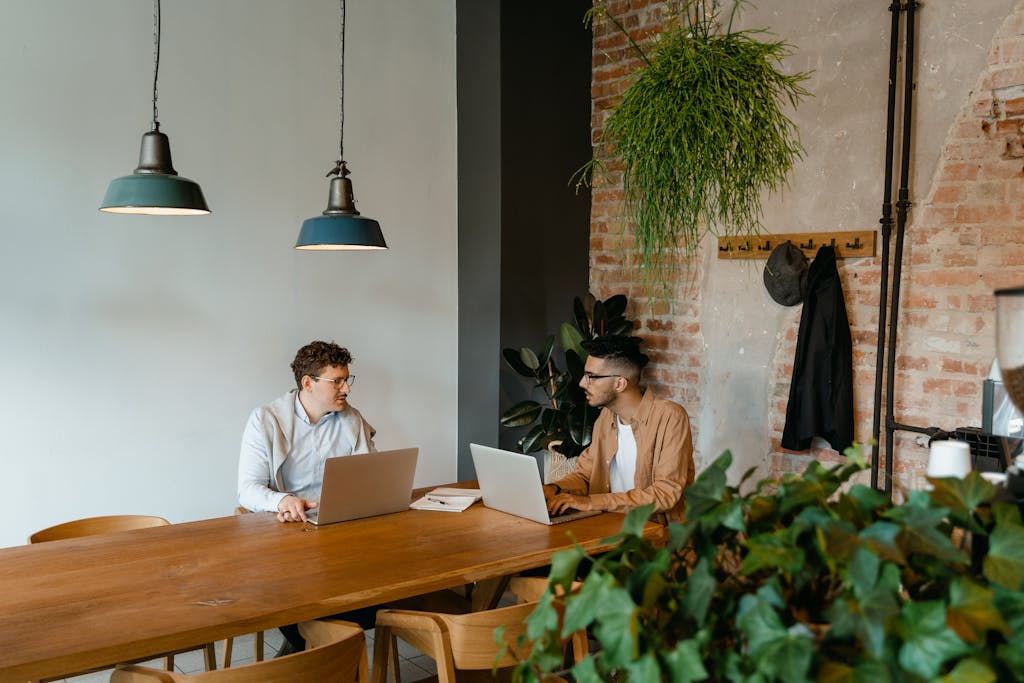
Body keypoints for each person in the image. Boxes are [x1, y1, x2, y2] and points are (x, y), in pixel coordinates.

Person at [544, 335, 695, 524]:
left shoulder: (670, 417)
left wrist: (592, 502)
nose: (583, 383)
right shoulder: (606, 418)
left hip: (655, 539)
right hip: (607, 530)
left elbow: (665, 494)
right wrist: (553, 489)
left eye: (592, 377)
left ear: (620, 383)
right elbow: (585, 475)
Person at [238, 340, 376, 523]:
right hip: (284, 524)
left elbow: (371, 476)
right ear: (308, 384)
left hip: (340, 521)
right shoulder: (264, 420)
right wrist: (283, 500)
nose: (347, 388)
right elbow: (247, 490)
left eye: (347, 380)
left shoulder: (353, 420)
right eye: (337, 381)